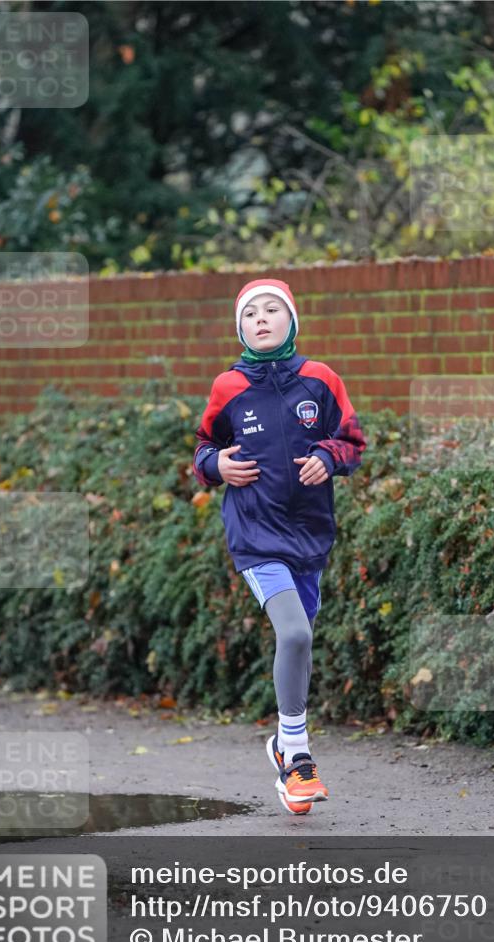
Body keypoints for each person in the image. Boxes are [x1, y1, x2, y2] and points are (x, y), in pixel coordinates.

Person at [193, 278, 367, 815]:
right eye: (251, 313)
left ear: (292, 320)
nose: (261, 318)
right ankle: (297, 751)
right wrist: (216, 465)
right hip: (255, 536)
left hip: (310, 537)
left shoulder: (321, 380)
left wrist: (330, 457)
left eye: (273, 309)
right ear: (240, 328)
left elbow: (353, 443)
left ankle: (283, 746)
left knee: (302, 639)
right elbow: (203, 450)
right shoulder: (228, 387)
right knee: (292, 631)